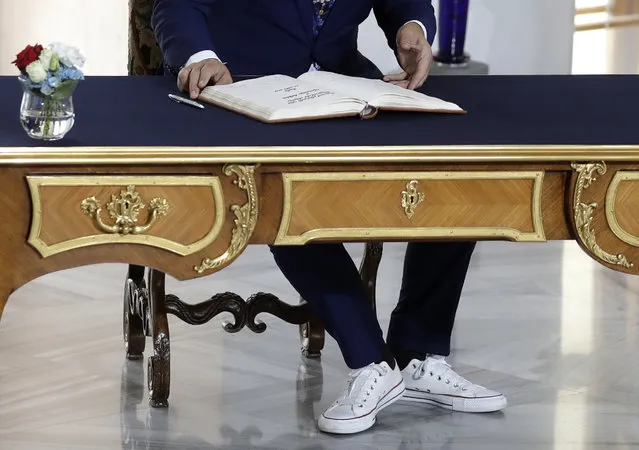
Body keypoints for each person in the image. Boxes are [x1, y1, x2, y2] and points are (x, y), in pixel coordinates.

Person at [152, 0, 506, 435]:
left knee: (452, 177)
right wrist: (199, 57)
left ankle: (418, 355)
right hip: (242, 86)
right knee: (286, 202)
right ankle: (371, 363)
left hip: (342, 84)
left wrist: (412, 26)